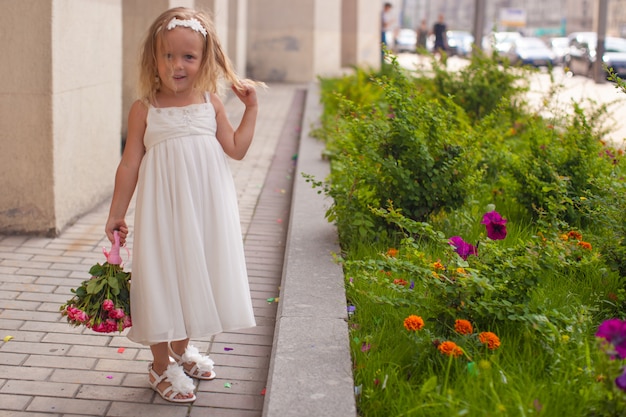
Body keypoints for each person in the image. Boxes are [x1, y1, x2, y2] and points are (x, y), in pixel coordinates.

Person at [105, 7, 259, 403]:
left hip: (206, 209)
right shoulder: (145, 108)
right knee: (163, 274)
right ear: (153, 60)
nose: (177, 65)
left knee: (196, 272)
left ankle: (179, 350)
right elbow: (130, 164)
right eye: (168, 56)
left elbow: (237, 149)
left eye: (188, 57)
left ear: (203, 60)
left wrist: (252, 109)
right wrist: (116, 214)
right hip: (164, 211)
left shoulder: (211, 102)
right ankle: (159, 366)